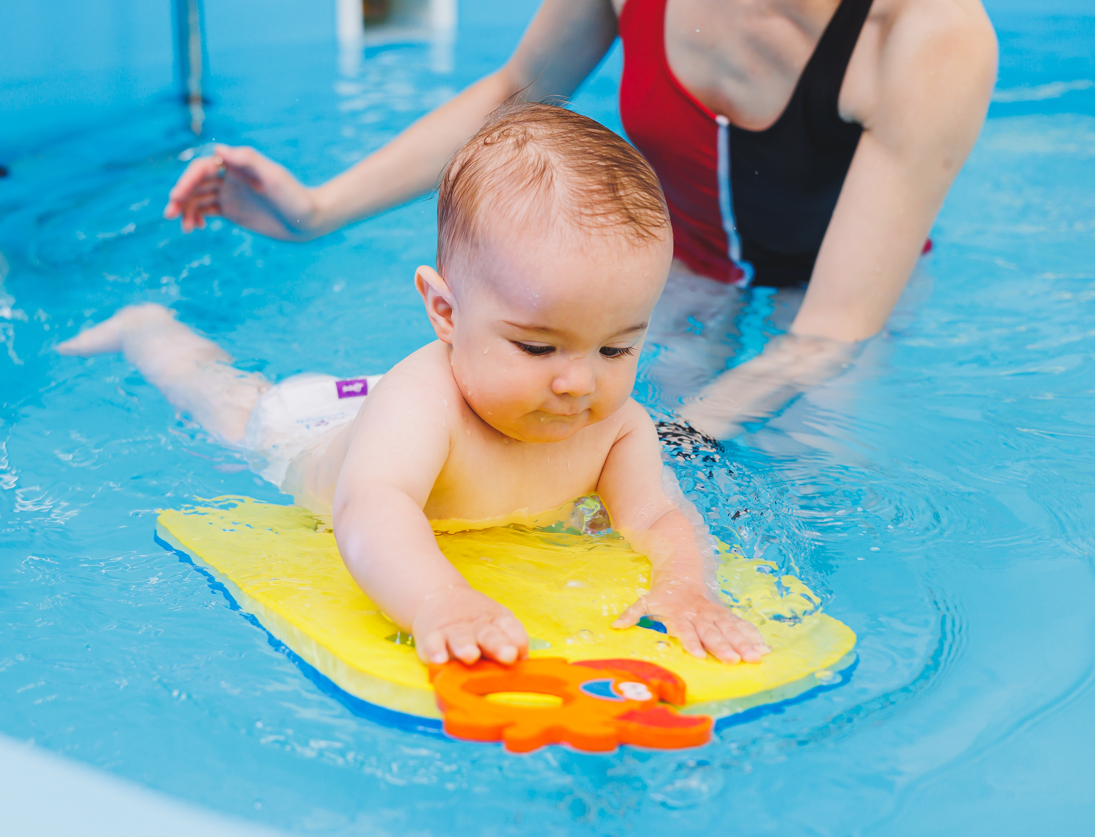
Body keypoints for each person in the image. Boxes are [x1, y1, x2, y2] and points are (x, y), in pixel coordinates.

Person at [61, 104, 770, 667]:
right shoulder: (423, 401)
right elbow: (372, 506)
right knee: (224, 400)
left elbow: (657, 518)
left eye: (617, 346)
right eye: (535, 344)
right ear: (445, 312)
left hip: (426, 406)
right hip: (306, 430)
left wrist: (684, 589)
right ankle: (148, 328)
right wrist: (438, 598)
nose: (576, 381)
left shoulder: (615, 428)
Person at [162, 0, 997, 439]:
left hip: (835, 302)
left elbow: (825, 336)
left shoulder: (930, 35)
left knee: (800, 461)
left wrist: (676, 438)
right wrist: (315, 210)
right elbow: (516, 90)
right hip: (677, 270)